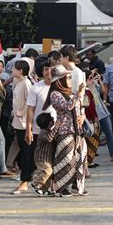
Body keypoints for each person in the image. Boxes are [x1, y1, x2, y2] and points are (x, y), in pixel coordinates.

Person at [44, 65, 88, 197]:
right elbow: (66, 107)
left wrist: (83, 116)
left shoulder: (71, 93)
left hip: (77, 130)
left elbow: (83, 106)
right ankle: (62, 187)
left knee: (80, 158)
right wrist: (77, 95)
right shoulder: (55, 94)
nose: (69, 79)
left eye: (70, 77)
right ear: (59, 80)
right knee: (65, 160)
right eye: (67, 77)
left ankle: (76, 185)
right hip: (65, 131)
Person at [10, 60, 33, 195]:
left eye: (15, 68)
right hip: (17, 122)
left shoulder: (26, 83)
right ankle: (25, 176)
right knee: (23, 150)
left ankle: (26, 178)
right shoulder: (18, 82)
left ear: (21, 71)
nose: (13, 70)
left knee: (26, 151)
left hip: (24, 122)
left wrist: (21, 112)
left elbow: (30, 102)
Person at [30, 113, 58, 196]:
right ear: (49, 123)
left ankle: (44, 189)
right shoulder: (43, 133)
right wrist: (56, 127)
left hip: (47, 158)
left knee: (50, 173)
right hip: (41, 158)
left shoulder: (48, 131)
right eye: (52, 120)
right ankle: (35, 184)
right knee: (47, 171)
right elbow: (49, 139)